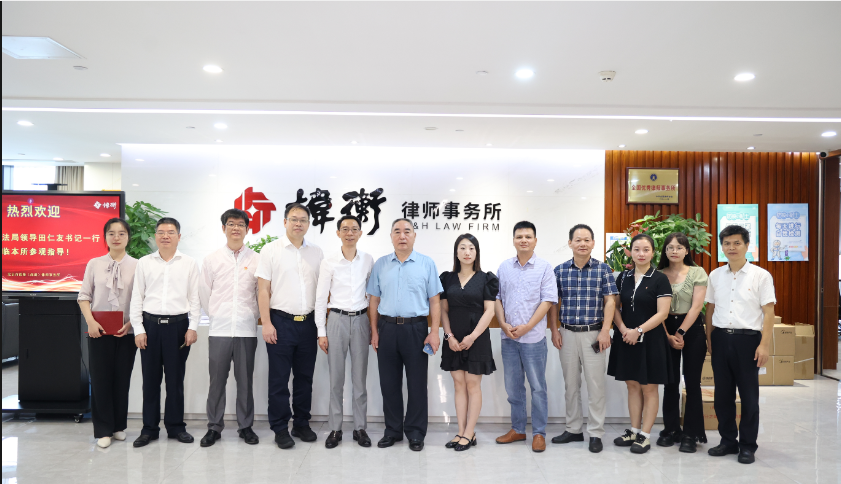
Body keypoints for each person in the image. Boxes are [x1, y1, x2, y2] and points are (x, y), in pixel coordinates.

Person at [367, 218, 443, 452]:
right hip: (387, 328)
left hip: (416, 329)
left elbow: (435, 301)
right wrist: (374, 331)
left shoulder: (426, 264)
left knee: (417, 384)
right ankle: (392, 431)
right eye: (397, 231)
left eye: (407, 231)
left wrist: (434, 332)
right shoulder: (381, 264)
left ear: (414, 236)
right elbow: (374, 300)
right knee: (389, 383)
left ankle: (416, 433)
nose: (402, 236)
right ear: (391, 236)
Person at [256, 203, 324, 449]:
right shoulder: (270, 250)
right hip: (280, 323)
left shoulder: (316, 252)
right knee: (279, 379)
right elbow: (263, 289)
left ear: (308, 224)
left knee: (305, 378)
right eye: (294, 219)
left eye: (303, 220)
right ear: (285, 222)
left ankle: (302, 423)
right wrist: (266, 323)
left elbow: (323, 291)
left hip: (308, 324)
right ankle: (280, 427)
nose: (298, 223)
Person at [705, 225, 775, 464]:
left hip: (748, 341)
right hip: (721, 339)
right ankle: (727, 441)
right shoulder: (715, 275)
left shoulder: (761, 275)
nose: (731, 248)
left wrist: (764, 345)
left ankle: (747, 445)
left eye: (736, 243)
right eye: (727, 243)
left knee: (749, 396)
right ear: (722, 247)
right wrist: (709, 338)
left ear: (747, 245)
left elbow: (768, 313)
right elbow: (710, 309)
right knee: (722, 395)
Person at [130, 217, 201, 447]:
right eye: (161, 232)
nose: (165, 236)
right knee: (150, 382)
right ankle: (149, 429)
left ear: (179, 236)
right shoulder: (144, 263)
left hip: (178, 327)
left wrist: (192, 327)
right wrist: (138, 329)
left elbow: (195, 298)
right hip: (150, 327)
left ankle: (176, 427)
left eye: (170, 232)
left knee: (175, 381)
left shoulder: (189, 263)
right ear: (155, 236)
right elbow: (137, 298)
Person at [548, 224, 618, 454]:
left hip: (594, 334)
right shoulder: (560, 270)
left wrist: (605, 330)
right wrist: (554, 330)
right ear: (570, 243)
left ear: (593, 243)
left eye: (587, 240)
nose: (582, 244)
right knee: (571, 385)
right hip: (567, 333)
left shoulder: (603, 269)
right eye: (578, 240)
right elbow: (554, 303)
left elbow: (610, 301)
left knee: (596, 385)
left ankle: (596, 433)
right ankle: (573, 429)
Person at [198, 209, 261, 447]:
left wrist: (252, 316)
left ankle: (246, 427)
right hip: (220, 330)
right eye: (231, 224)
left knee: (245, 381)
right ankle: (214, 427)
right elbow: (204, 292)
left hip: (246, 329)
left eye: (241, 224)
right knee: (217, 382)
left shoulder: (256, 259)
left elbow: (260, 294)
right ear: (223, 228)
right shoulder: (212, 259)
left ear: (247, 229)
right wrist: (216, 314)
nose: (236, 228)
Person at [494, 221, 558, 453]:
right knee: (513, 388)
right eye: (519, 236)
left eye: (528, 236)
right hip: (508, 338)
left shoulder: (544, 267)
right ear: (513, 240)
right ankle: (518, 429)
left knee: (538, 387)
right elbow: (497, 298)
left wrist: (528, 327)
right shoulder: (504, 267)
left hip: (534, 339)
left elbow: (548, 301)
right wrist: (503, 324)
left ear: (535, 241)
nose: (524, 240)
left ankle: (539, 433)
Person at [607, 233, 672, 454]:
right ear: (631, 253)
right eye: (637, 249)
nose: (641, 254)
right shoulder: (623, 277)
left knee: (649, 387)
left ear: (653, 253)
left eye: (646, 249)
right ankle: (634, 431)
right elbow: (614, 306)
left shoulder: (660, 278)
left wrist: (639, 331)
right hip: (626, 338)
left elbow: (663, 313)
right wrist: (624, 329)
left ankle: (645, 435)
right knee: (632, 385)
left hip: (651, 340)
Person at [314, 215, 375, 449]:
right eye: (345, 229)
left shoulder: (368, 260)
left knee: (359, 380)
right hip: (336, 320)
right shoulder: (329, 262)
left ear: (360, 233)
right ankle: (335, 429)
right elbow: (321, 299)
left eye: (354, 229)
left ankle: (360, 428)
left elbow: (372, 296)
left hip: (360, 320)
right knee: (336, 380)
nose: (350, 233)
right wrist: (321, 331)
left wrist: (372, 327)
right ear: (338, 233)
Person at [78, 218, 138, 448]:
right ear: (105, 238)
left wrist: (131, 324)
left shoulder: (138, 265)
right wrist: (91, 322)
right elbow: (84, 296)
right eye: (111, 233)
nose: (116, 237)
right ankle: (103, 430)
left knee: (122, 380)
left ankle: (118, 426)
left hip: (126, 332)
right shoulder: (94, 264)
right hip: (99, 332)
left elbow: (141, 300)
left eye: (121, 233)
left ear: (128, 237)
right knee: (101, 380)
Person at [439, 234, 498, 452]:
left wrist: (472, 337)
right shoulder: (446, 278)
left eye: (471, 248)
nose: (467, 252)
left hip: (477, 337)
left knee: (473, 384)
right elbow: (443, 311)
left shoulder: (486, 278)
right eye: (462, 248)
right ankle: (461, 431)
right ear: (456, 252)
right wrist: (449, 336)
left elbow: (490, 311)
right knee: (458, 384)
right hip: (453, 337)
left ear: (476, 252)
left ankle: (470, 431)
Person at [656, 232, 709, 452]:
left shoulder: (697, 272)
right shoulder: (658, 274)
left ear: (687, 250)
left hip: (692, 329)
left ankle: (691, 434)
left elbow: (697, 306)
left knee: (693, 383)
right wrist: (668, 334)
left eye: (679, 247)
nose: (674, 251)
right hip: (665, 328)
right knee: (670, 383)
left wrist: (680, 332)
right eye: (670, 247)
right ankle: (670, 430)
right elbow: (656, 310)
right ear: (665, 251)